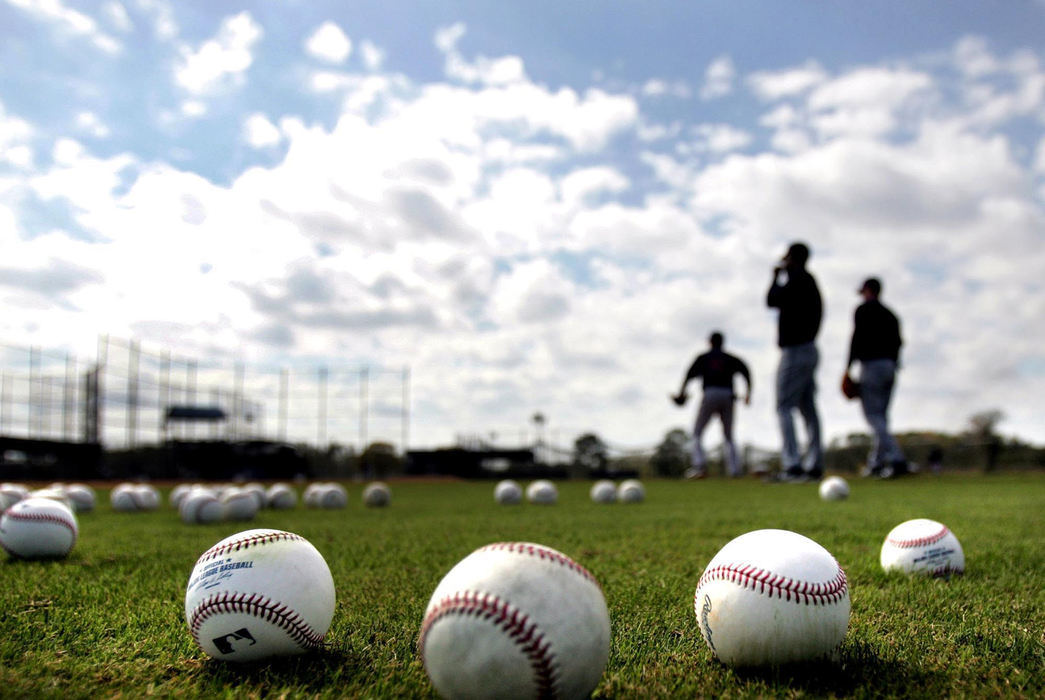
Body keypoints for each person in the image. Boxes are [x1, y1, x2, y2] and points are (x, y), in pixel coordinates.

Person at [766, 242, 824, 481]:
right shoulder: (810, 281)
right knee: (808, 408)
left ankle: (793, 466)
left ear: (792, 258)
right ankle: (814, 465)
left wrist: (775, 277)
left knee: (784, 407)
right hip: (809, 349)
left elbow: (771, 300)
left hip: (796, 350)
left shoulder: (796, 280)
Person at [844, 277, 909, 478]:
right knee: (881, 418)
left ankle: (897, 459)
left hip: (871, 366)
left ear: (868, 291)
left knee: (873, 417)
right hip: (890, 367)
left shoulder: (863, 310)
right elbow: (899, 343)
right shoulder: (891, 315)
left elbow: (856, 337)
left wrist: (848, 367)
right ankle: (876, 463)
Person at [671, 331, 752, 478]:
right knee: (729, 435)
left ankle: (700, 467)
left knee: (697, 432)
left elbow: (688, 375)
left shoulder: (703, 358)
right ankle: (735, 470)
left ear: (710, 342)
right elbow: (746, 372)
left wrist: (681, 392)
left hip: (710, 394)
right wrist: (748, 394)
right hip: (728, 395)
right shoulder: (730, 358)